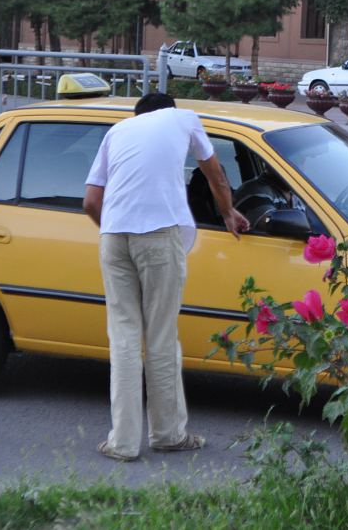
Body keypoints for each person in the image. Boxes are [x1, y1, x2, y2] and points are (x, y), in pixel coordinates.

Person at [83, 92, 249, 462]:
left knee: (123, 338)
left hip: (113, 237)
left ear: (138, 114)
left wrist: (116, 229)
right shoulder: (185, 118)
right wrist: (227, 213)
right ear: (169, 111)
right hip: (158, 235)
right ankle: (168, 434)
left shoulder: (118, 130)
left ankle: (122, 443)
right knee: (159, 337)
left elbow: (91, 202)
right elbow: (214, 173)